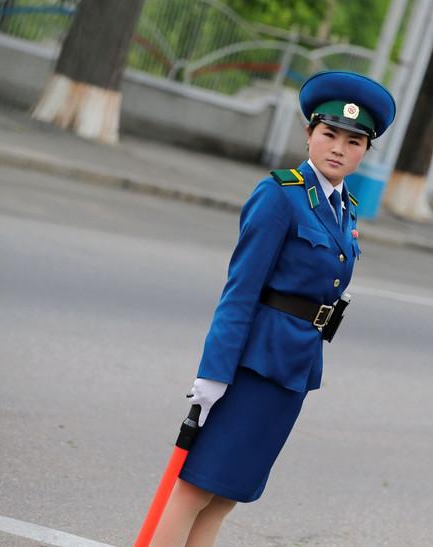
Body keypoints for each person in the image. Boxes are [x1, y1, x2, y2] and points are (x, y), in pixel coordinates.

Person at [151, 70, 396, 547]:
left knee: (227, 496)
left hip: (294, 369)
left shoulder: (345, 208)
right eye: (329, 134)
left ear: (365, 151)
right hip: (253, 366)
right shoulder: (280, 195)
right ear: (309, 133)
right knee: (195, 490)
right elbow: (240, 291)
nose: (338, 148)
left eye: (353, 141)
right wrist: (213, 373)